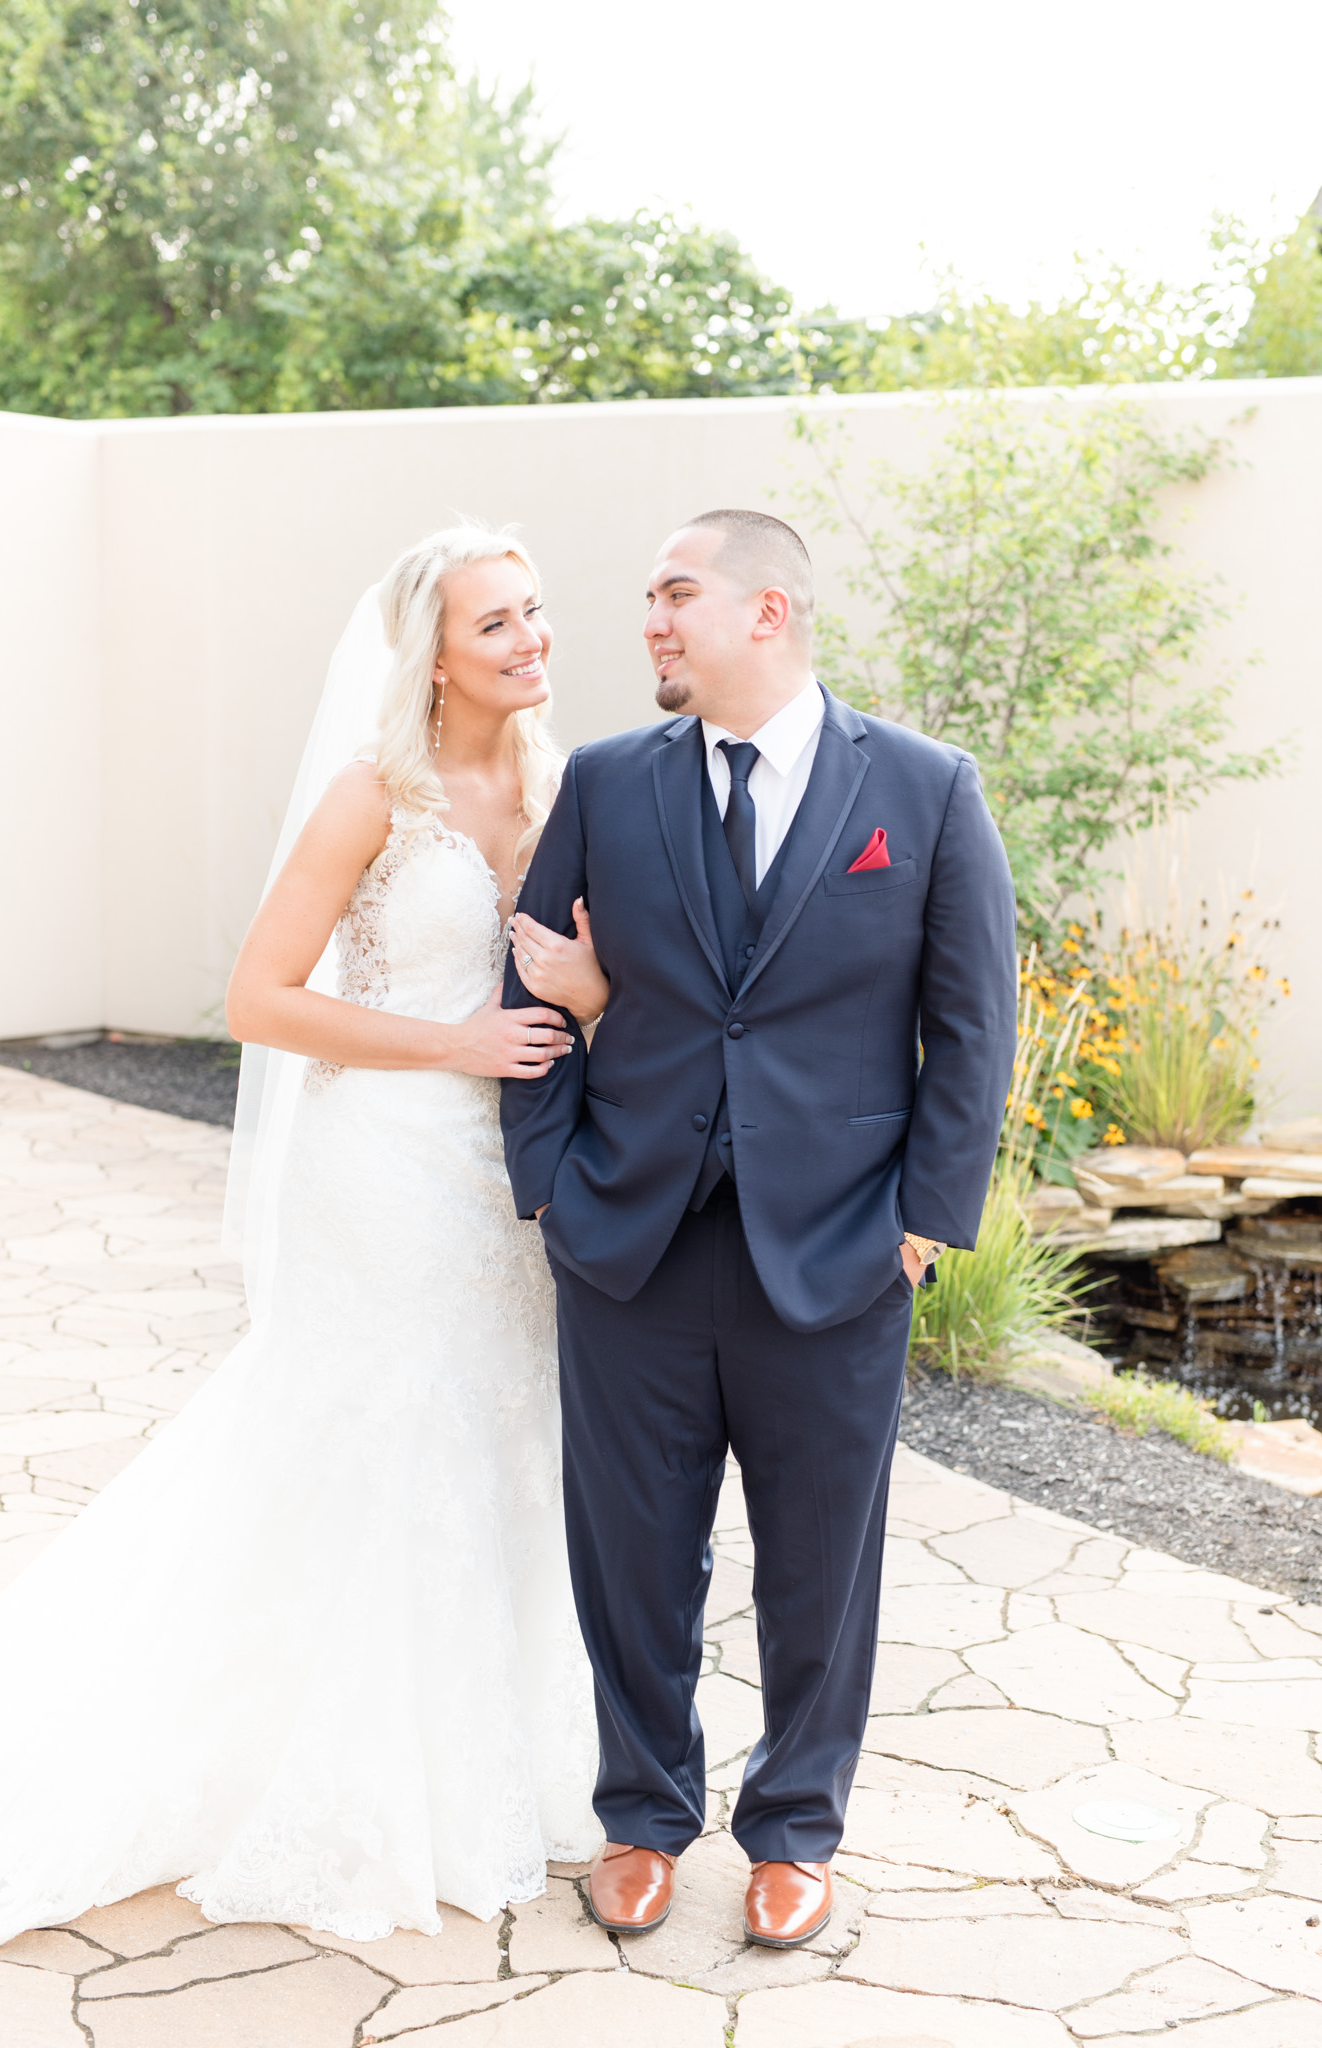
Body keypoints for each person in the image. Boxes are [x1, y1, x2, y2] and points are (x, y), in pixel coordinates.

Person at [0, 524, 608, 1950]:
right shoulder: (371, 797)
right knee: (391, 1433)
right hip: (384, 1164)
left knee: (504, 1436)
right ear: (431, 653)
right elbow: (259, 997)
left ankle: (501, 1757)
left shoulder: (563, 781)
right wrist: (450, 1042)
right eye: (497, 623)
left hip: (513, 1176)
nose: (531, 640)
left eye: (536, 613)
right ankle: (367, 1788)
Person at [501, 509, 1017, 1948]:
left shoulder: (921, 790)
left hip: (843, 1250)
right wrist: (550, 1182)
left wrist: (925, 1222)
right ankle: (642, 1818)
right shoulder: (606, 784)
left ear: (767, 610)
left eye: (674, 595)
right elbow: (531, 990)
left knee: (819, 1564)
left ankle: (795, 1830)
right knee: (631, 1553)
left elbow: (972, 1028)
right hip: (632, 1242)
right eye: (651, 597)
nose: (650, 621)